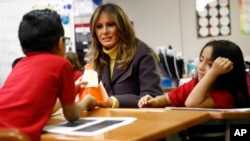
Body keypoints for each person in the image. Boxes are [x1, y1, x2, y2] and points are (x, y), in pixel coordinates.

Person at [0, 9, 97, 141]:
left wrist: (71, 91)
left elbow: (42, 105)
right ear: (60, 43)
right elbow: (72, 115)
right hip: (17, 137)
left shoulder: (20, 65)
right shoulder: (61, 64)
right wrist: (87, 101)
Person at [86, 3, 163, 108]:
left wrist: (113, 101)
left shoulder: (142, 53)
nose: (104, 31)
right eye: (99, 27)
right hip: (105, 120)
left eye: (110, 24)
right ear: (94, 32)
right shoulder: (95, 58)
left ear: (122, 27)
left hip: (138, 121)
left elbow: (153, 96)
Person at [138, 39, 250, 109]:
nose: (201, 67)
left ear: (226, 70)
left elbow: (192, 103)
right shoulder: (193, 84)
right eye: (201, 60)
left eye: (210, 64)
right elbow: (167, 99)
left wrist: (213, 73)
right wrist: (154, 101)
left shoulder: (227, 95)